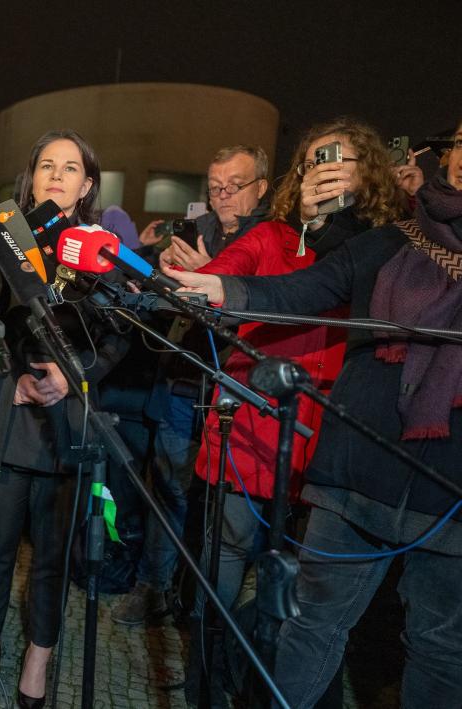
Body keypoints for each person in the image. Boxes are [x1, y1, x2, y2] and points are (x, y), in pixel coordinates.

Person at [165, 120, 462, 709]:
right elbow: (306, 286)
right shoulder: (395, 237)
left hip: (447, 487)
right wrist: (224, 290)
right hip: (354, 469)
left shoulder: (382, 217)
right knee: (311, 625)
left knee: (438, 647)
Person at [0, 129, 127, 709]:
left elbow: (118, 342)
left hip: (68, 427)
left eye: (70, 168)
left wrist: (75, 375)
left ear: (87, 184)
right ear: (31, 177)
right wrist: (4, 382)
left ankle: (37, 662)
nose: (57, 175)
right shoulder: (1, 240)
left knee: (53, 559)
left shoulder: (101, 249)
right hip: (11, 423)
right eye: (46, 165)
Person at [110, 146, 271, 627]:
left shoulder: (273, 237)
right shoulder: (196, 230)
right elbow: (156, 290)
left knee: (227, 505)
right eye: (215, 186)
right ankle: (155, 586)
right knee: (170, 489)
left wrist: (207, 277)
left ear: (261, 187)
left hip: (238, 389)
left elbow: (263, 307)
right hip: (182, 381)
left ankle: (207, 604)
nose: (222, 197)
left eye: (234, 186)